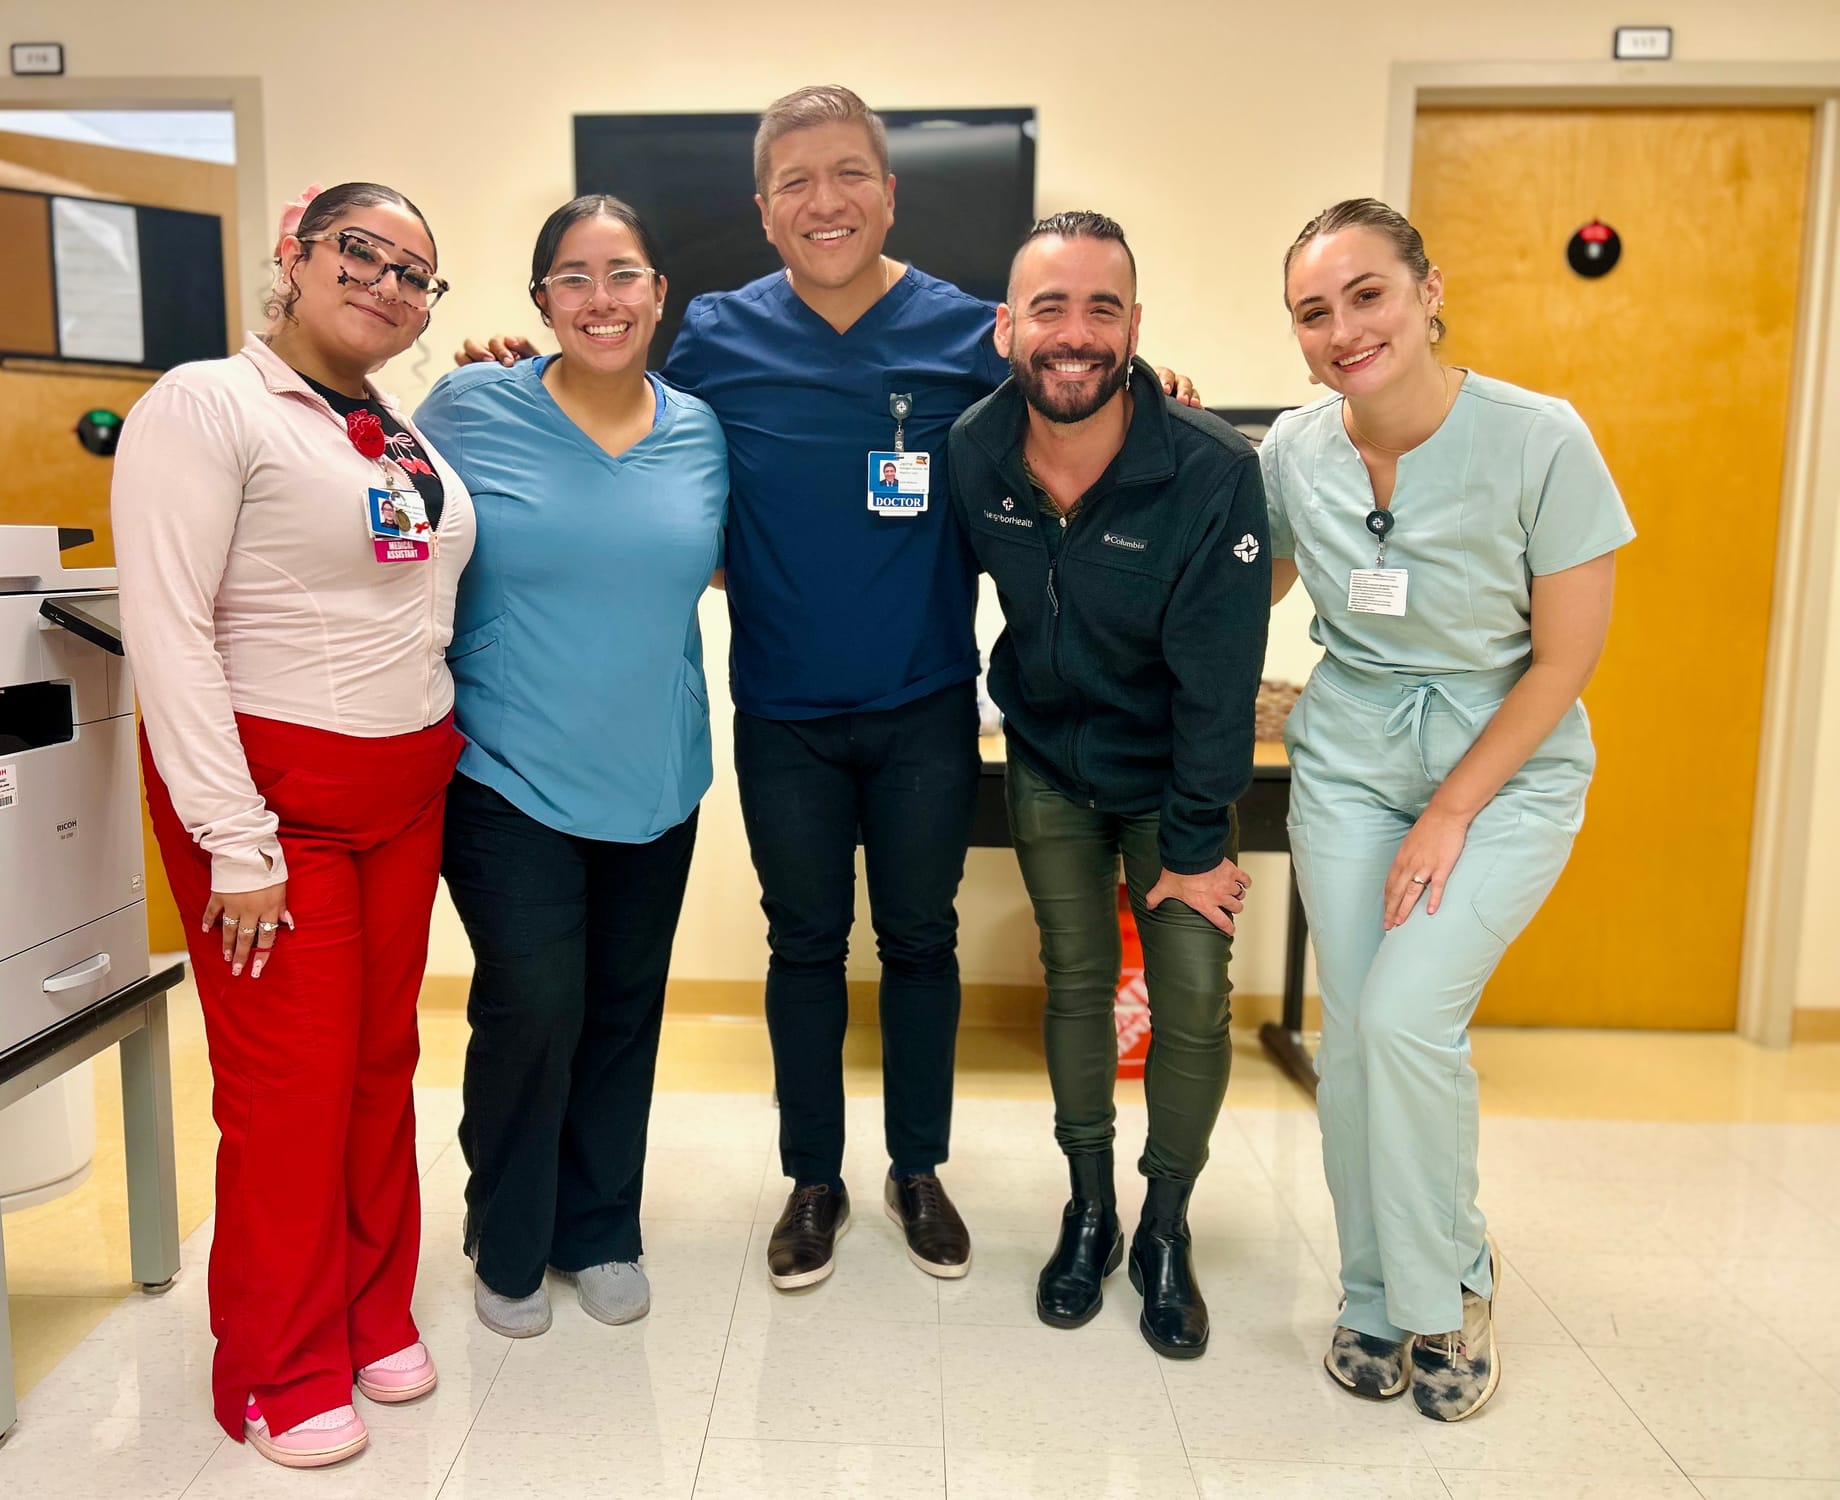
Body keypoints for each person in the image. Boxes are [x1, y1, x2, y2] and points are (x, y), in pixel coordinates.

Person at [460, 86, 1198, 1293]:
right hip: (783, 710)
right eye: (794, 180)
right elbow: (613, 402)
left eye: (848, 172)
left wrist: (1147, 381)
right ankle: (813, 1178)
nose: (825, 200)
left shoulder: (967, 330)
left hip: (922, 705)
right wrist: (512, 361)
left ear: (888, 192)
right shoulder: (714, 336)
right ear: (762, 209)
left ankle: (917, 1168)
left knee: (920, 941)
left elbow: (1072, 388)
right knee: (801, 946)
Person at [112, 182, 468, 1469]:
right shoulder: (205, 404)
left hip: (404, 793)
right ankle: (278, 1364)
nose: (387, 283)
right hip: (274, 811)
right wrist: (233, 837)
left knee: (378, 1069)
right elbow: (169, 632)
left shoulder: (395, 433)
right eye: (362, 252)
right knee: (289, 1089)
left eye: (415, 274)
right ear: (296, 256)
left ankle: (371, 1312)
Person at [1266, 198, 1633, 1421]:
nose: (1341, 329)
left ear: (1427, 293)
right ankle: (1372, 1292)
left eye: (1365, 293)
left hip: (1505, 767)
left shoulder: (1539, 440)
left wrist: (1451, 810)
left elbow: (1562, 661)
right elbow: (1239, 584)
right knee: (1354, 1034)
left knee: (1406, 1015)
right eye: (1311, 313)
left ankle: (1451, 1285)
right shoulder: (1292, 453)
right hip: (1350, 764)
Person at [948, 212, 1268, 1359]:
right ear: (1005, 328)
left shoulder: (1210, 468)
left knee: (1189, 998)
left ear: (1134, 326)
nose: (1073, 333)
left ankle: (1164, 1224)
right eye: (1049, 307)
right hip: (1047, 769)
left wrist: (1193, 845)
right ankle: (1088, 1208)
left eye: (1100, 308)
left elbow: (1221, 683)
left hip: (1176, 782)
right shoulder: (973, 450)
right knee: (1076, 985)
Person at [412, 197, 727, 1338]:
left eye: (624, 273)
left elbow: (738, 564)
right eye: (575, 277)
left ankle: (599, 1229)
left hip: (655, 770)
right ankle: (508, 1235)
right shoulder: (468, 407)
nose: (603, 299)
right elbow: (388, 536)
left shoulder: (701, 432)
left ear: (659, 294)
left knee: (623, 1009)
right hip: (506, 769)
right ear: (541, 300)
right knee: (533, 1005)